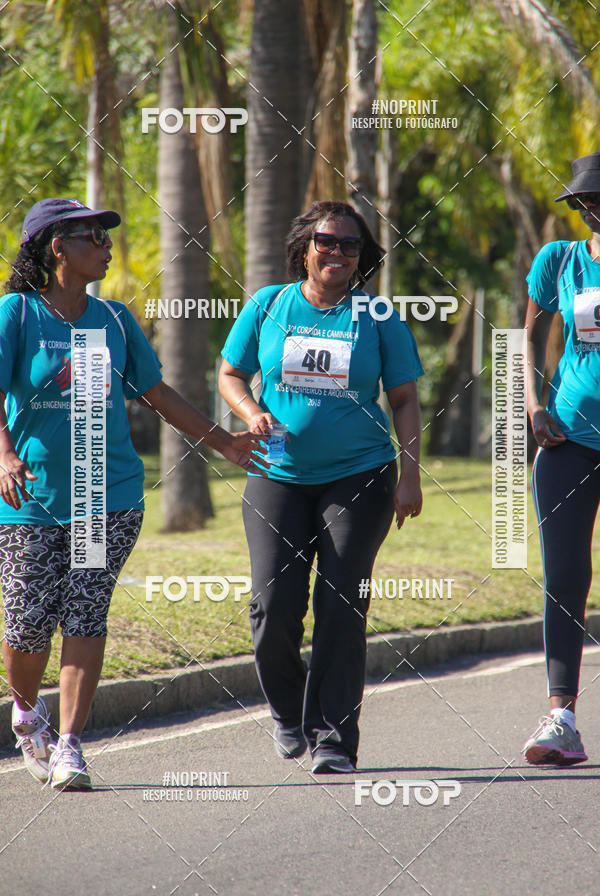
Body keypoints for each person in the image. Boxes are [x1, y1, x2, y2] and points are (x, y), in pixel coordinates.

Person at [0, 197, 266, 790]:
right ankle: (25, 713)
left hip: (106, 493)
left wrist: (224, 443)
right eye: (92, 236)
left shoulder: (115, 320)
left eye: (106, 235)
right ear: (56, 247)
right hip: (31, 495)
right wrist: (4, 454)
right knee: (25, 626)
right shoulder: (16, 314)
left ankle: (70, 744)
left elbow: (158, 395)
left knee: (87, 611)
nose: (106, 245)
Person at [218, 200, 423, 773]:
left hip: (360, 476)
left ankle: (333, 738)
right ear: (305, 247)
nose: (338, 252)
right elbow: (230, 373)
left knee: (342, 604)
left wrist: (409, 474)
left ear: (363, 257)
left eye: (351, 245)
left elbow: (404, 397)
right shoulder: (269, 305)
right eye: (327, 241)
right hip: (276, 471)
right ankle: (288, 710)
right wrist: (249, 410)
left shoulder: (377, 314)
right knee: (271, 604)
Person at [523, 152, 600, 765]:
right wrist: (531, 401)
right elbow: (528, 334)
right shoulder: (562, 260)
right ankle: (561, 719)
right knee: (565, 575)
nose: (593, 210)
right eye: (586, 203)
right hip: (568, 439)